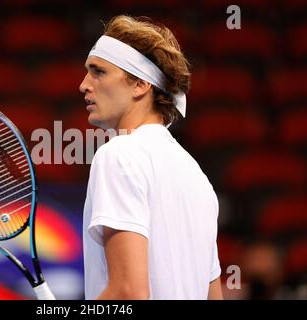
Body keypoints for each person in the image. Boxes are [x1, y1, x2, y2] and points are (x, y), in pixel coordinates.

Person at [79, 15, 223, 300]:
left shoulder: (119, 155)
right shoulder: (198, 178)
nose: (83, 85)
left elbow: (129, 293)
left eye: (98, 72)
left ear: (140, 84)